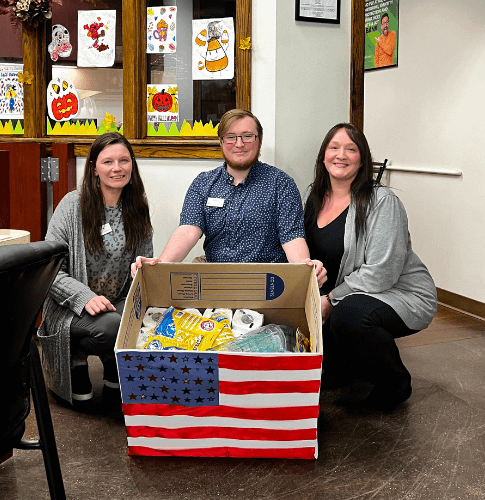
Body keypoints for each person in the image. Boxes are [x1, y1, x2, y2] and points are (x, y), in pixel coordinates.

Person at [304, 123, 437, 411]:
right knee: (324, 367)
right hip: (347, 292)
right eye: (334, 147)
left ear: (362, 159)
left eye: (351, 149)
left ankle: (395, 383)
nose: (342, 155)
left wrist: (331, 299)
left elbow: (382, 273)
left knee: (349, 318)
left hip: (397, 293)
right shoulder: (315, 197)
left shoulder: (383, 201)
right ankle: (352, 365)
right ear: (323, 156)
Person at [132, 109, 326, 286]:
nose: (239, 144)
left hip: (266, 282)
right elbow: (189, 230)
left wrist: (305, 268)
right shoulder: (203, 183)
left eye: (247, 136)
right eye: (231, 137)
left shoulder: (281, 184)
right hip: (215, 279)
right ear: (221, 142)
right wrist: (160, 264)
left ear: (259, 140)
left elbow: (291, 237)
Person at [38, 132, 153, 405]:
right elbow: (49, 267)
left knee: (146, 318)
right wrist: (84, 297)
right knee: (114, 327)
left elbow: (145, 261)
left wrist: (142, 269)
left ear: (132, 165)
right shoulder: (72, 206)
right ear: (94, 168)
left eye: (124, 160)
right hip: (70, 308)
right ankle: (77, 357)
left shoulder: (137, 207)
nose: (117, 168)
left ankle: (113, 362)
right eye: (108, 162)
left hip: (117, 302)